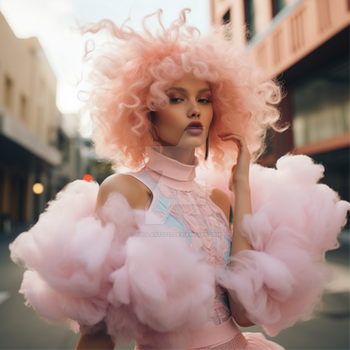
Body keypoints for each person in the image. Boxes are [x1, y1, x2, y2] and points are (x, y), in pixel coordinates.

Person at [9, 8, 350, 350]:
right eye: (176, 98)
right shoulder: (126, 191)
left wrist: (240, 187)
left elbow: (245, 313)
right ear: (147, 111)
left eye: (204, 99)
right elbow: (99, 329)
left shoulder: (218, 200)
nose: (194, 110)